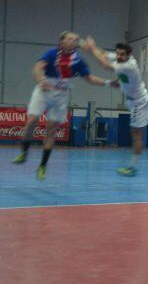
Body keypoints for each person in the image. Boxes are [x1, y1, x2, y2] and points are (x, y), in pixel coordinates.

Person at [11, 31, 112, 180]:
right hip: (44, 89)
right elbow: (37, 68)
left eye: (75, 39)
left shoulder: (78, 60)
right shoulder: (52, 53)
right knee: (31, 121)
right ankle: (24, 153)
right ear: (61, 42)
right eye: (70, 38)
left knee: (51, 130)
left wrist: (108, 83)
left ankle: (42, 166)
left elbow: (89, 78)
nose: (73, 41)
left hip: (62, 94)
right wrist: (40, 81)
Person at [81, 37, 148, 176]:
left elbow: (105, 65)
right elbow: (105, 54)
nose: (118, 56)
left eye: (122, 54)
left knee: (136, 134)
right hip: (139, 98)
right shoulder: (122, 59)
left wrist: (90, 50)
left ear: (129, 55)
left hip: (138, 101)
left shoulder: (128, 66)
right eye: (117, 53)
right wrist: (95, 47)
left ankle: (132, 167)